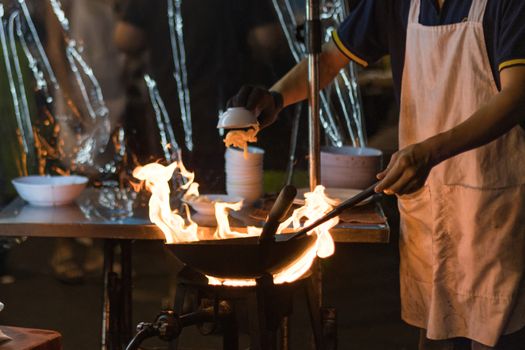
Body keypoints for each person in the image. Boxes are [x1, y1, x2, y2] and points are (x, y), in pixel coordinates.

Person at [228, 0, 525, 349]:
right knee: (438, 326)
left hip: (493, 201)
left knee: (496, 333)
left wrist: (430, 151)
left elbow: (517, 95)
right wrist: (277, 98)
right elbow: (327, 61)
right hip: (430, 202)